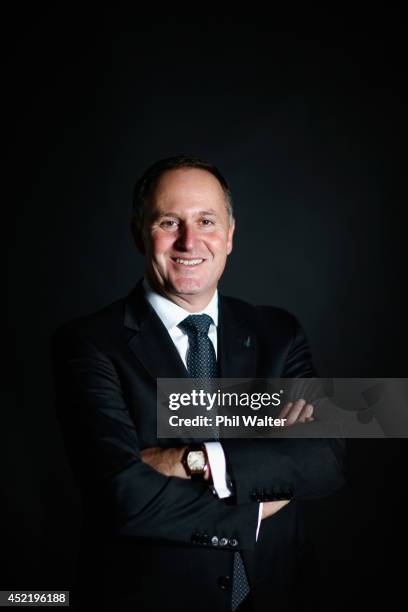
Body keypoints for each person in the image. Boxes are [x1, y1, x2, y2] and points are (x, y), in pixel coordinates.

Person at [52, 155, 346, 612]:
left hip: (278, 591)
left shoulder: (278, 332)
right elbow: (121, 494)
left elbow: (326, 457)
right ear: (138, 233)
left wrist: (193, 459)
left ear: (229, 235)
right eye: (170, 222)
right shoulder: (88, 343)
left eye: (207, 221)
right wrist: (257, 498)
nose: (190, 241)